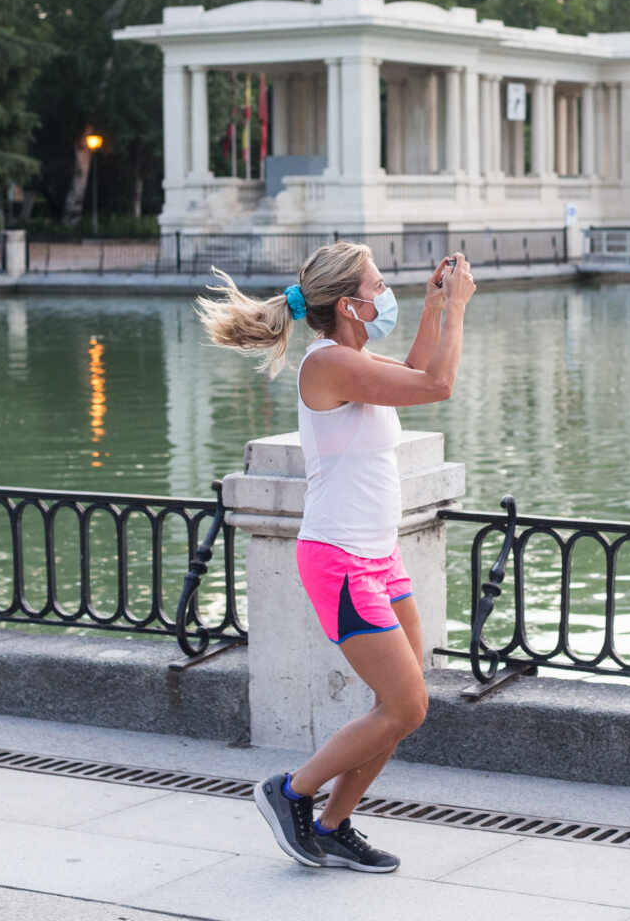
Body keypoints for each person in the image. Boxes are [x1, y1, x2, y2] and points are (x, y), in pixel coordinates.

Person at [196, 242, 476, 872]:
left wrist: (433, 307)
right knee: (407, 706)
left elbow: (408, 374)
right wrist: (457, 309)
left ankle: (331, 825)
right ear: (350, 303)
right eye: (379, 285)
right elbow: (437, 383)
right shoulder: (326, 366)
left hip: (378, 556)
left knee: (397, 707)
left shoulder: (351, 359)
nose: (387, 295)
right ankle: (289, 791)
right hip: (341, 562)